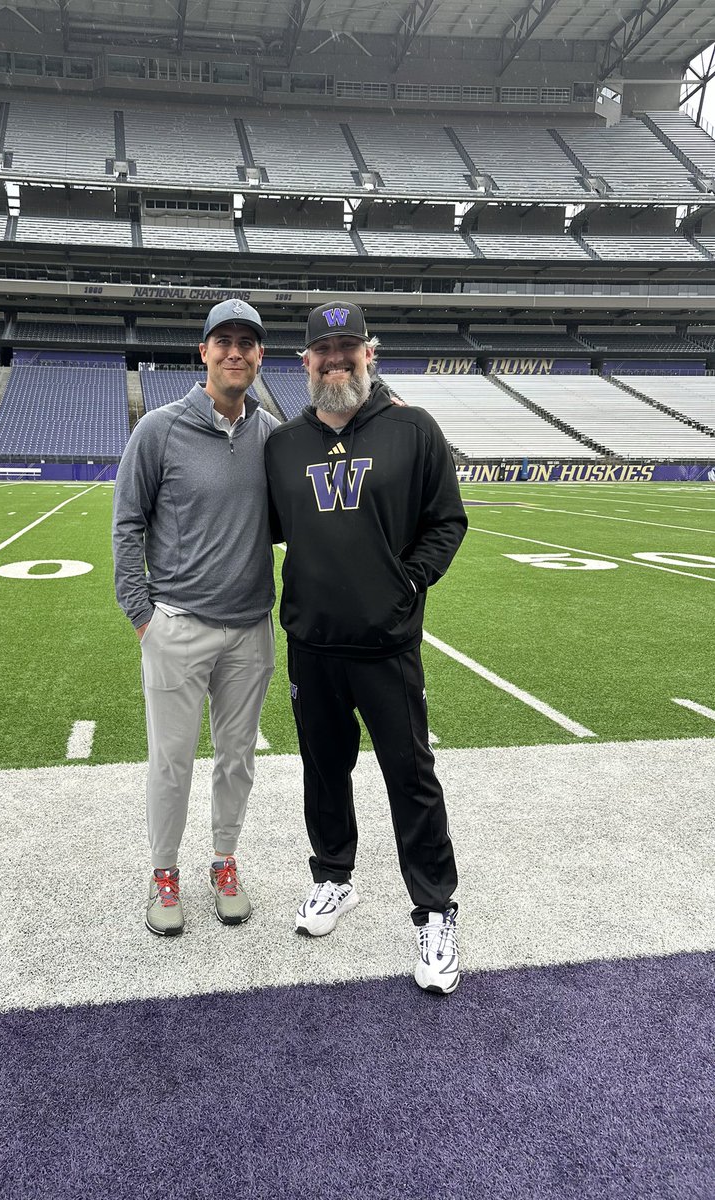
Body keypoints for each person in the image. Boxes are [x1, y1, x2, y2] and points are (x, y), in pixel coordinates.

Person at [264, 301, 468, 994]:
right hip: (312, 644)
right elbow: (259, 528)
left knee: (410, 778)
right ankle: (332, 878)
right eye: (325, 351)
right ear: (306, 363)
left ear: (369, 354)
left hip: (385, 645)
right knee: (323, 772)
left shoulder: (413, 428)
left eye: (349, 348)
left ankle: (436, 910)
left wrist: (407, 582)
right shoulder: (283, 444)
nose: (337, 360)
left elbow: (447, 521)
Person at [113, 300, 278, 936]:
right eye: (223, 341)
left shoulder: (272, 436)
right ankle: (163, 871)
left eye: (248, 342)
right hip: (176, 625)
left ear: (260, 356)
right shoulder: (158, 429)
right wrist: (141, 614)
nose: (235, 351)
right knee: (171, 760)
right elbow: (128, 520)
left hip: (250, 628)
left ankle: (224, 859)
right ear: (203, 352)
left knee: (236, 757)